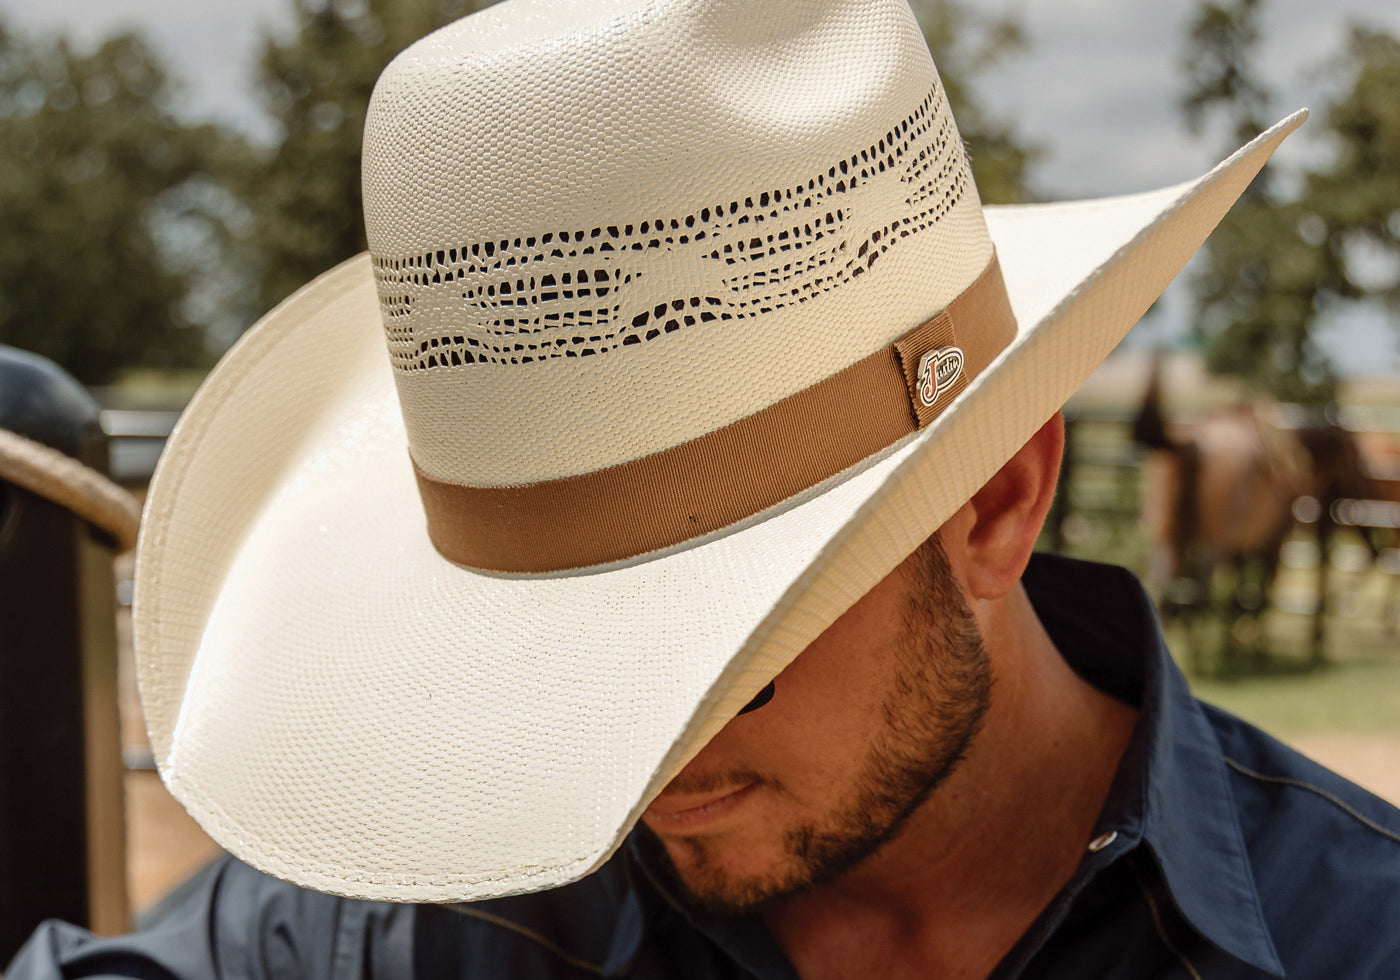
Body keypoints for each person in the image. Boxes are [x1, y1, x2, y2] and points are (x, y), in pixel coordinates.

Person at [10, 0, 1399, 976]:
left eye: (716, 659)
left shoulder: (1352, 937)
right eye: (540, 660)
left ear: (991, 504)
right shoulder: (470, 899)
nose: (630, 769)